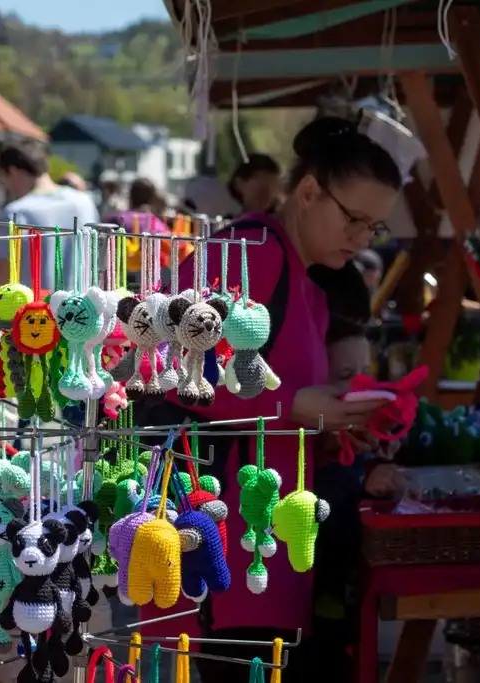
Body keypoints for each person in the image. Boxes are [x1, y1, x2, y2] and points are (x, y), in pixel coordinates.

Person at [139, 116, 405, 683]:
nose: (361, 240)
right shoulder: (251, 251)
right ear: (308, 192)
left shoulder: (305, 277)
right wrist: (296, 409)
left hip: (265, 556)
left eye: (374, 228)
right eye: (354, 219)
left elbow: (268, 389)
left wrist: (336, 425)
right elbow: (158, 364)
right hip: (219, 553)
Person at [0, 139, 99, 292]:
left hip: (35, 312)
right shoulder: (84, 202)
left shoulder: (17, 211)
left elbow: (1, 277)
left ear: (12, 171)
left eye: (3, 180)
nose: (7, 187)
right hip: (84, 309)